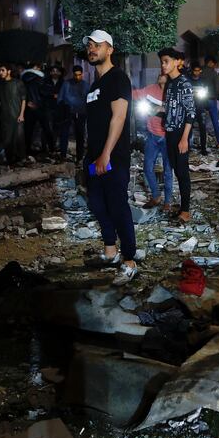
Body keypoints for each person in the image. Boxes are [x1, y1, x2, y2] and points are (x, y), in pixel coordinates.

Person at [82, 29, 138, 286]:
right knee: (97, 204)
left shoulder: (118, 79)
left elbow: (119, 117)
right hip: (93, 160)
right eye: (89, 45)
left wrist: (105, 155)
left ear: (110, 49)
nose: (92, 49)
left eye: (97, 45)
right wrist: (90, 157)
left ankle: (129, 261)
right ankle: (110, 252)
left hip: (112, 157)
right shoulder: (94, 86)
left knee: (117, 206)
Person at [158, 47, 195, 223]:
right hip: (170, 132)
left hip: (181, 133)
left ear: (175, 62)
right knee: (175, 171)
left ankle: (186, 212)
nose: (163, 65)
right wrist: (159, 110)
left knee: (182, 173)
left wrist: (184, 139)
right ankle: (181, 209)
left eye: (166, 61)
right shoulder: (171, 84)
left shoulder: (184, 83)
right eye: (162, 62)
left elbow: (191, 113)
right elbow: (172, 107)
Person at [133, 73, 172, 211]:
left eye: (164, 74)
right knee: (148, 167)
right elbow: (136, 94)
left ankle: (168, 202)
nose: (160, 75)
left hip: (168, 137)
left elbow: (179, 110)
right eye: (160, 73)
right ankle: (156, 196)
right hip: (152, 136)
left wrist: (162, 109)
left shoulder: (173, 91)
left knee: (168, 171)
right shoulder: (151, 89)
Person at [0, 64, 26, 165]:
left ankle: (22, 159)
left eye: (2, 70)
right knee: (7, 139)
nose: (0, 73)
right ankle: (10, 160)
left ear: (9, 71)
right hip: (5, 117)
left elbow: (24, 99)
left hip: (17, 116)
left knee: (19, 138)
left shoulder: (18, 83)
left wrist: (21, 114)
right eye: (0, 71)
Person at [57, 65, 89, 161]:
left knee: (80, 135)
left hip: (81, 112)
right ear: (73, 74)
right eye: (76, 75)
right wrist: (64, 107)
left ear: (82, 74)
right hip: (68, 112)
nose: (77, 77)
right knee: (64, 134)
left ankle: (79, 157)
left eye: (79, 75)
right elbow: (60, 98)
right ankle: (63, 155)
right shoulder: (66, 84)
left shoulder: (85, 85)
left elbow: (89, 99)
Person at [21, 62, 54, 155]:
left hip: (29, 107)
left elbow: (21, 92)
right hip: (39, 106)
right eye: (39, 67)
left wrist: (27, 102)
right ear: (36, 67)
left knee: (28, 130)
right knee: (47, 128)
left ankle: (27, 150)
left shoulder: (23, 78)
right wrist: (52, 94)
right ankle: (51, 149)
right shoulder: (40, 78)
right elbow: (44, 92)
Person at [42, 65, 64, 156]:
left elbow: (65, 94)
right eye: (53, 71)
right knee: (47, 128)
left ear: (60, 73)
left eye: (57, 71)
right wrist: (52, 95)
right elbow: (42, 92)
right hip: (48, 107)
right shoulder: (46, 81)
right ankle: (46, 147)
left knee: (56, 128)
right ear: (50, 72)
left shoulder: (63, 82)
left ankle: (53, 147)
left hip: (59, 108)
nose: (55, 73)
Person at [188, 63, 210, 155]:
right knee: (189, 128)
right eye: (195, 70)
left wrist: (206, 108)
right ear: (192, 71)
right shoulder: (188, 81)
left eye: (198, 70)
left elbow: (206, 96)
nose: (196, 72)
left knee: (202, 128)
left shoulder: (203, 81)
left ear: (200, 71)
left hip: (200, 107)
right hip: (190, 108)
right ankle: (188, 147)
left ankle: (203, 148)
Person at [202, 56, 219, 146]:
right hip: (211, 99)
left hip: (201, 100)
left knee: (201, 122)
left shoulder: (200, 71)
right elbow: (218, 88)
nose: (214, 65)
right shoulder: (213, 73)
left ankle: (203, 143)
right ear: (210, 62)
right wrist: (218, 96)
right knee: (215, 121)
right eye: (214, 64)